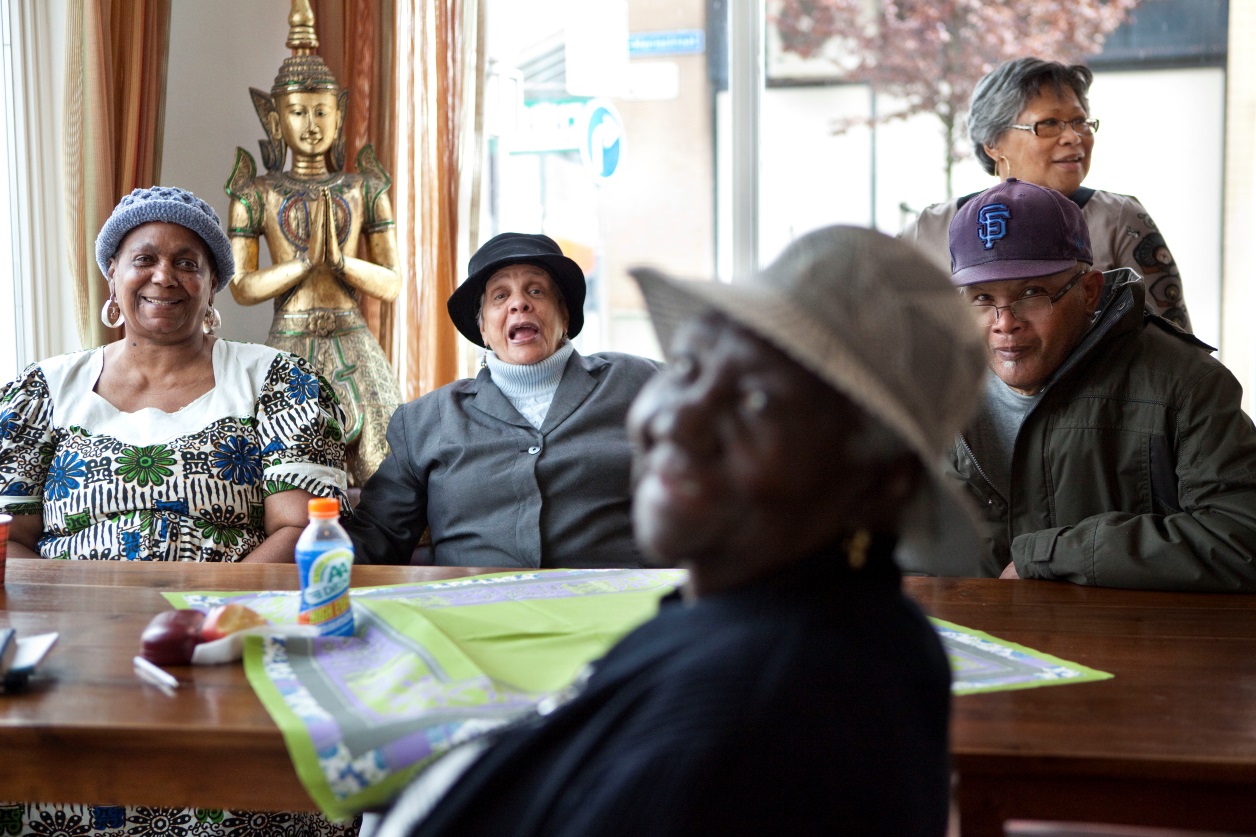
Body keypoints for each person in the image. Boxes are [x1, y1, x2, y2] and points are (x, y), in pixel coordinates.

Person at [367, 226, 986, 836]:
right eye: (690, 367)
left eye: (756, 401)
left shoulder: (754, 710)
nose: (679, 420)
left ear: (879, 481)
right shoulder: (739, 617)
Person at [0, 187, 352, 832]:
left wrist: (203, 623)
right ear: (113, 275)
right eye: (144, 258)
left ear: (213, 282)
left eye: (188, 261)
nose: (165, 275)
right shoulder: (42, 390)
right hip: (73, 650)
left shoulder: (276, 380)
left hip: (227, 646)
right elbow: (8, 538)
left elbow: (302, 527)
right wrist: (86, 617)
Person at [943, 178, 1256, 591]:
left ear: (1089, 291)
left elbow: (1241, 537)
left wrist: (1053, 555)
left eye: (1032, 292)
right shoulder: (937, 387)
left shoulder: (1186, 384)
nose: (1005, 323)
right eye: (982, 298)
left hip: (1127, 647)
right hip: (973, 647)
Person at [346, 233, 661, 568]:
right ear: (482, 328)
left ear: (565, 315)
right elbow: (375, 538)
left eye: (535, 291)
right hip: (472, 613)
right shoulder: (425, 421)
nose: (519, 304)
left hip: (616, 610)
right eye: (500, 296)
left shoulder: (638, 384)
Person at [226, 2, 402, 485]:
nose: (311, 123)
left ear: (339, 114)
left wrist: (342, 263)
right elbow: (241, 286)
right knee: (283, 469)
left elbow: (391, 283)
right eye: (298, 111)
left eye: (321, 110)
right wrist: (302, 264)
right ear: (273, 117)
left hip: (353, 336)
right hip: (289, 337)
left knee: (383, 468)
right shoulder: (255, 193)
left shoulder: (364, 187)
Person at [901, 57, 1192, 330]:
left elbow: (1176, 347)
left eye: (1080, 122)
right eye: (1049, 124)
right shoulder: (930, 229)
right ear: (993, 142)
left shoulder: (1119, 219)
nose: (1073, 137)